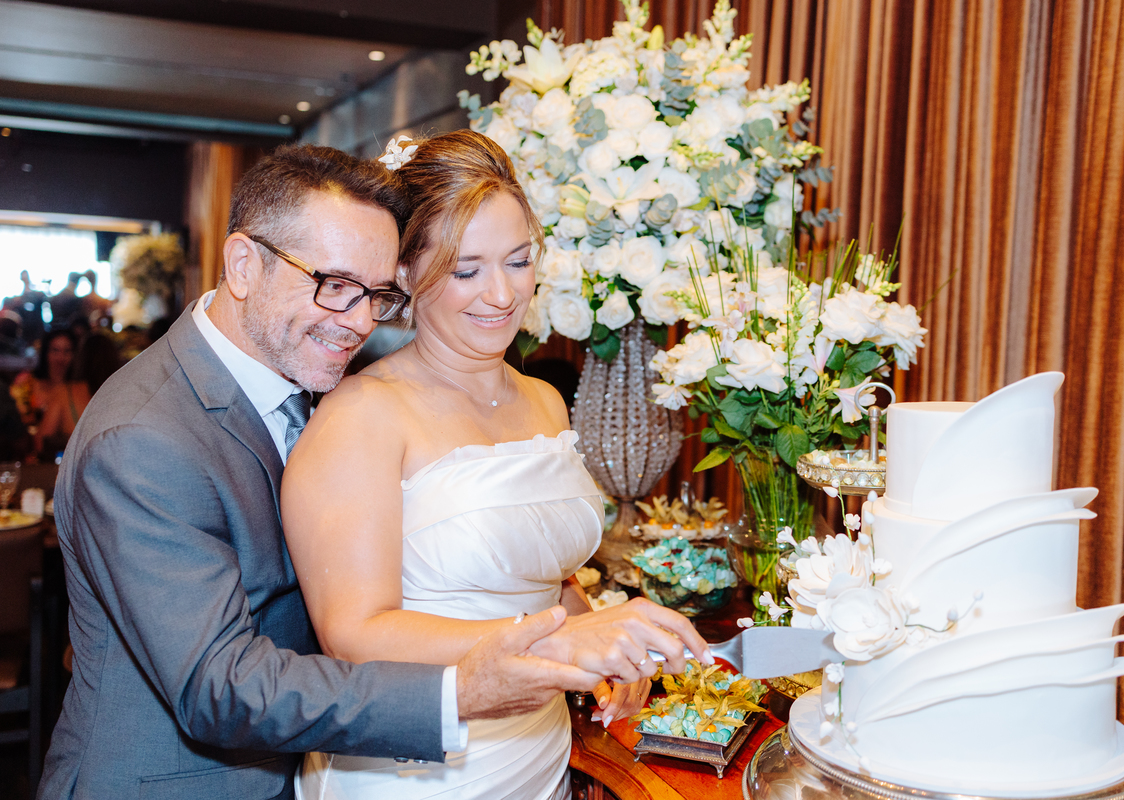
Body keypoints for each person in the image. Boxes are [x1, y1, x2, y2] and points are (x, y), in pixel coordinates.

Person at [39, 144, 679, 800]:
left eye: (374, 294)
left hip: (367, 754)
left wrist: (591, 630)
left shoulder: (300, 368)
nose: (359, 322)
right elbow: (221, 688)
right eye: (335, 286)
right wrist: (484, 679)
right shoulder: (142, 438)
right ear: (241, 265)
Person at [283, 130, 706, 800]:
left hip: (536, 747)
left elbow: (544, 578)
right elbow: (353, 634)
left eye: (517, 260)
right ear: (407, 274)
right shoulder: (363, 414)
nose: (503, 294)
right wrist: (563, 643)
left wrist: (605, 642)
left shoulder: (542, 400)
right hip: (416, 767)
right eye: (466, 270)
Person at [10, 328, 92, 461]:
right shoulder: (26, 383)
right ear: (45, 353)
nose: (61, 357)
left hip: (60, 458)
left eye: (67, 351)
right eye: (55, 350)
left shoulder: (77, 391)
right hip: (24, 455)